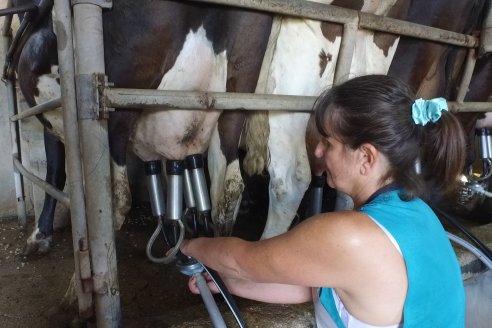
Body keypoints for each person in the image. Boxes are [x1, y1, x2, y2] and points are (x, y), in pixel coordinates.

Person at [180, 74, 466, 327]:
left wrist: (189, 245)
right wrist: (229, 283)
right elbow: (317, 287)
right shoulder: (418, 213)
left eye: (328, 143)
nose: (317, 151)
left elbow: (243, 260)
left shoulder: (349, 235)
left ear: (366, 157)